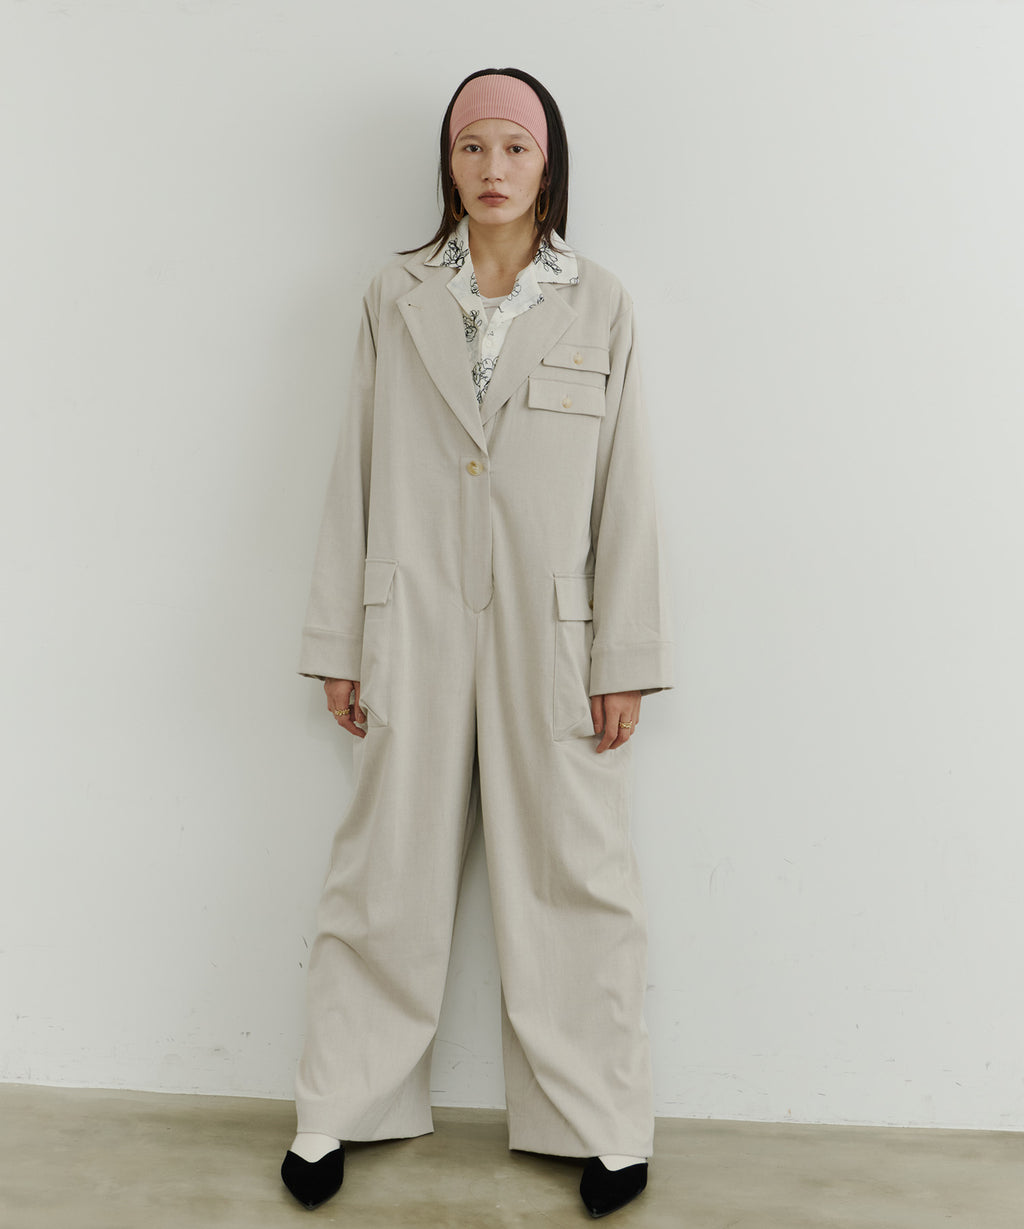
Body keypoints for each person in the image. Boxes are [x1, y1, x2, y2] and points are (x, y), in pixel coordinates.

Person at [280, 67, 673, 1219]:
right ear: (447, 164)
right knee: (383, 867)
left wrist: (622, 657)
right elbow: (354, 464)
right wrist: (340, 636)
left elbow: (626, 491)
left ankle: (601, 1125)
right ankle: (336, 1105)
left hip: (554, 634)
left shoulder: (599, 302)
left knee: (573, 875)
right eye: (471, 148)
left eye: (514, 147)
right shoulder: (394, 295)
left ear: (547, 162)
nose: (492, 169)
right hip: (408, 614)